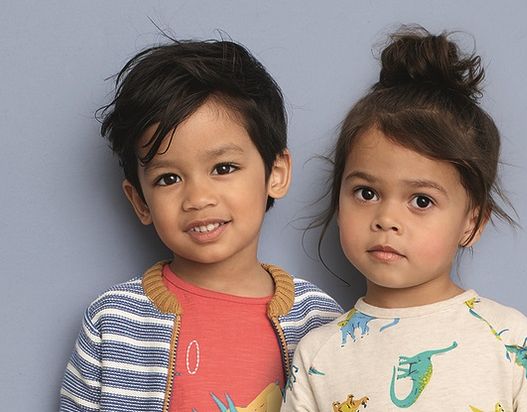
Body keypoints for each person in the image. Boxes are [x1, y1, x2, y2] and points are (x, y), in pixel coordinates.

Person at [281, 26, 527, 411]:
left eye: (421, 200)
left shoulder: (508, 338)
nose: (386, 219)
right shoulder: (318, 354)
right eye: (367, 193)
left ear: (472, 222)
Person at [59, 38, 342, 412]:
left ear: (276, 173)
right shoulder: (114, 322)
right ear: (140, 200)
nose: (197, 197)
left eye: (223, 168)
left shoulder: (320, 318)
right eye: (168, 178)